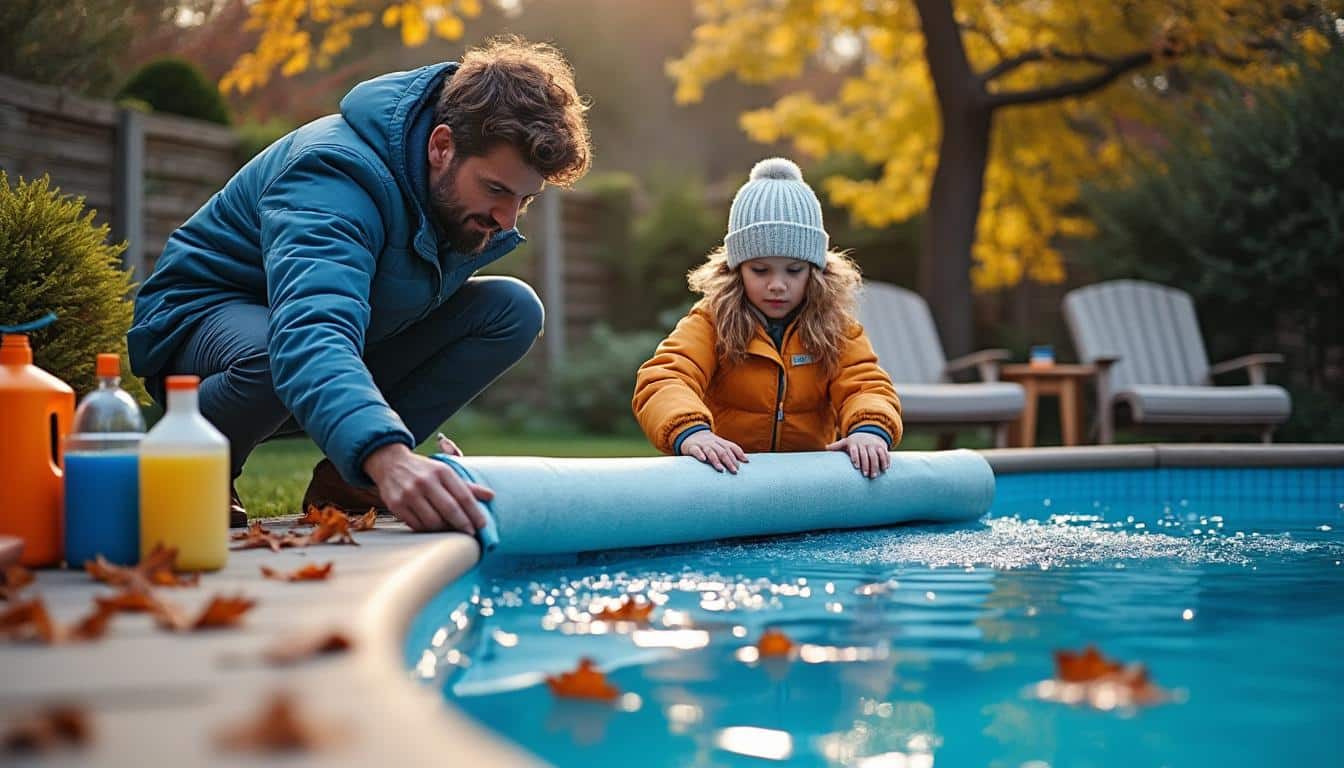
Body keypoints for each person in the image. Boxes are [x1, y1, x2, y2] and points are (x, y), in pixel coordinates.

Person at [127, 37, 591, 533]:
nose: (506, 218)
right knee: (271, 349)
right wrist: (387, 454)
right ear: (441, 146)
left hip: (310, 348)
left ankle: (348, 486)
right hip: (202, 329)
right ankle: (192, 462)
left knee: (512, 309)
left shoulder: (454, 207)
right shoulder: (333, 175)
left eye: (524, 199)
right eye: (496, 189)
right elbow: (310, 329)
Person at [632, 157, 902, 478]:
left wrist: (868, 430)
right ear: (736, 269)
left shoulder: (837, 329)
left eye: (794, 270)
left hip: (809, 483)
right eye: (760, 270)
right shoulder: (711, 321)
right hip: (728, 478)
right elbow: (664, 378)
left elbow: (865, 385)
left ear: (815, 271)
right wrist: (693, 433)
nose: (777, 285)